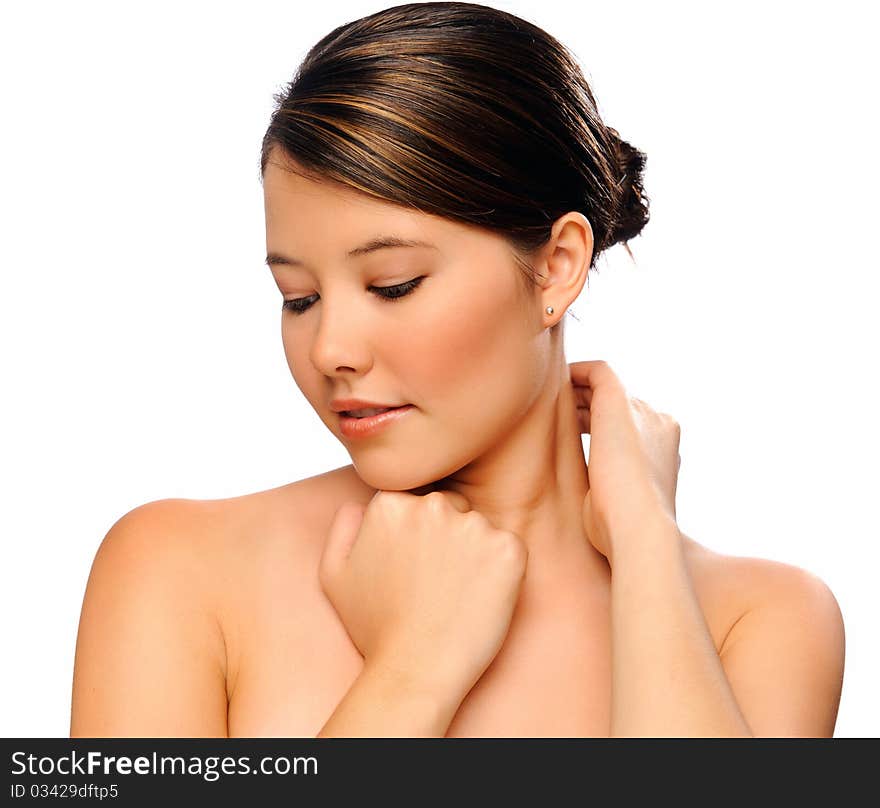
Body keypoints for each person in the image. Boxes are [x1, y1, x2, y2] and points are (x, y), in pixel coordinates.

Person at [69, 1, 844, 738]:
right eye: (298, 297)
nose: (330, 349)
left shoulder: (759, 619)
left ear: (556, 268)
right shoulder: (179, 570)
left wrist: (645, 543)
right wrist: (414, 669)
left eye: (392, 285)